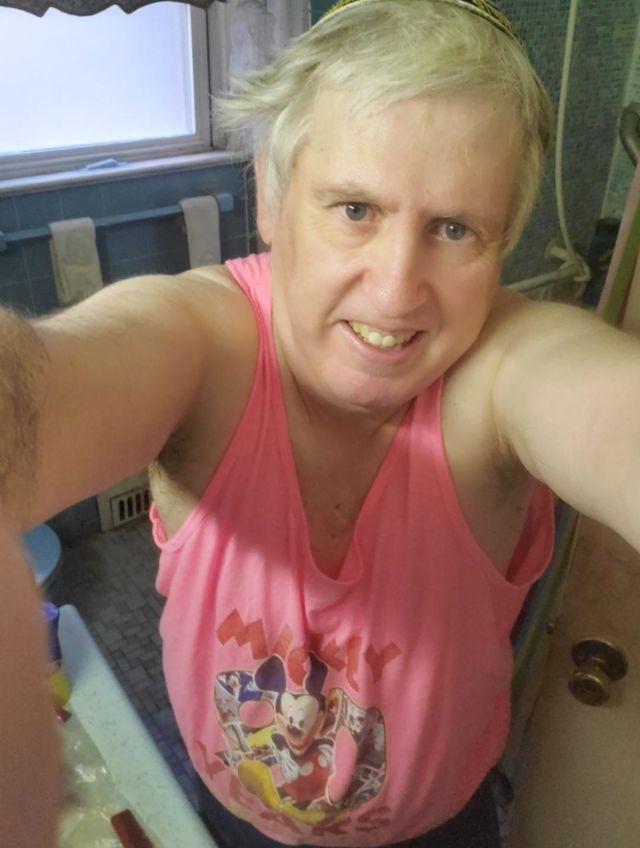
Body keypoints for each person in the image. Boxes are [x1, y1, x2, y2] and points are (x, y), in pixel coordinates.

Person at [2, 0, 640, 846]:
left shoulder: (504, 366)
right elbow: (44, 393)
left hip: (437, 829)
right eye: (354, 210)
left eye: (455, 229)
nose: (396, 290)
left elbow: (605, 413)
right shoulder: (209, 340)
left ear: (503, 243)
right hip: (230, 814)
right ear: (271, 196)